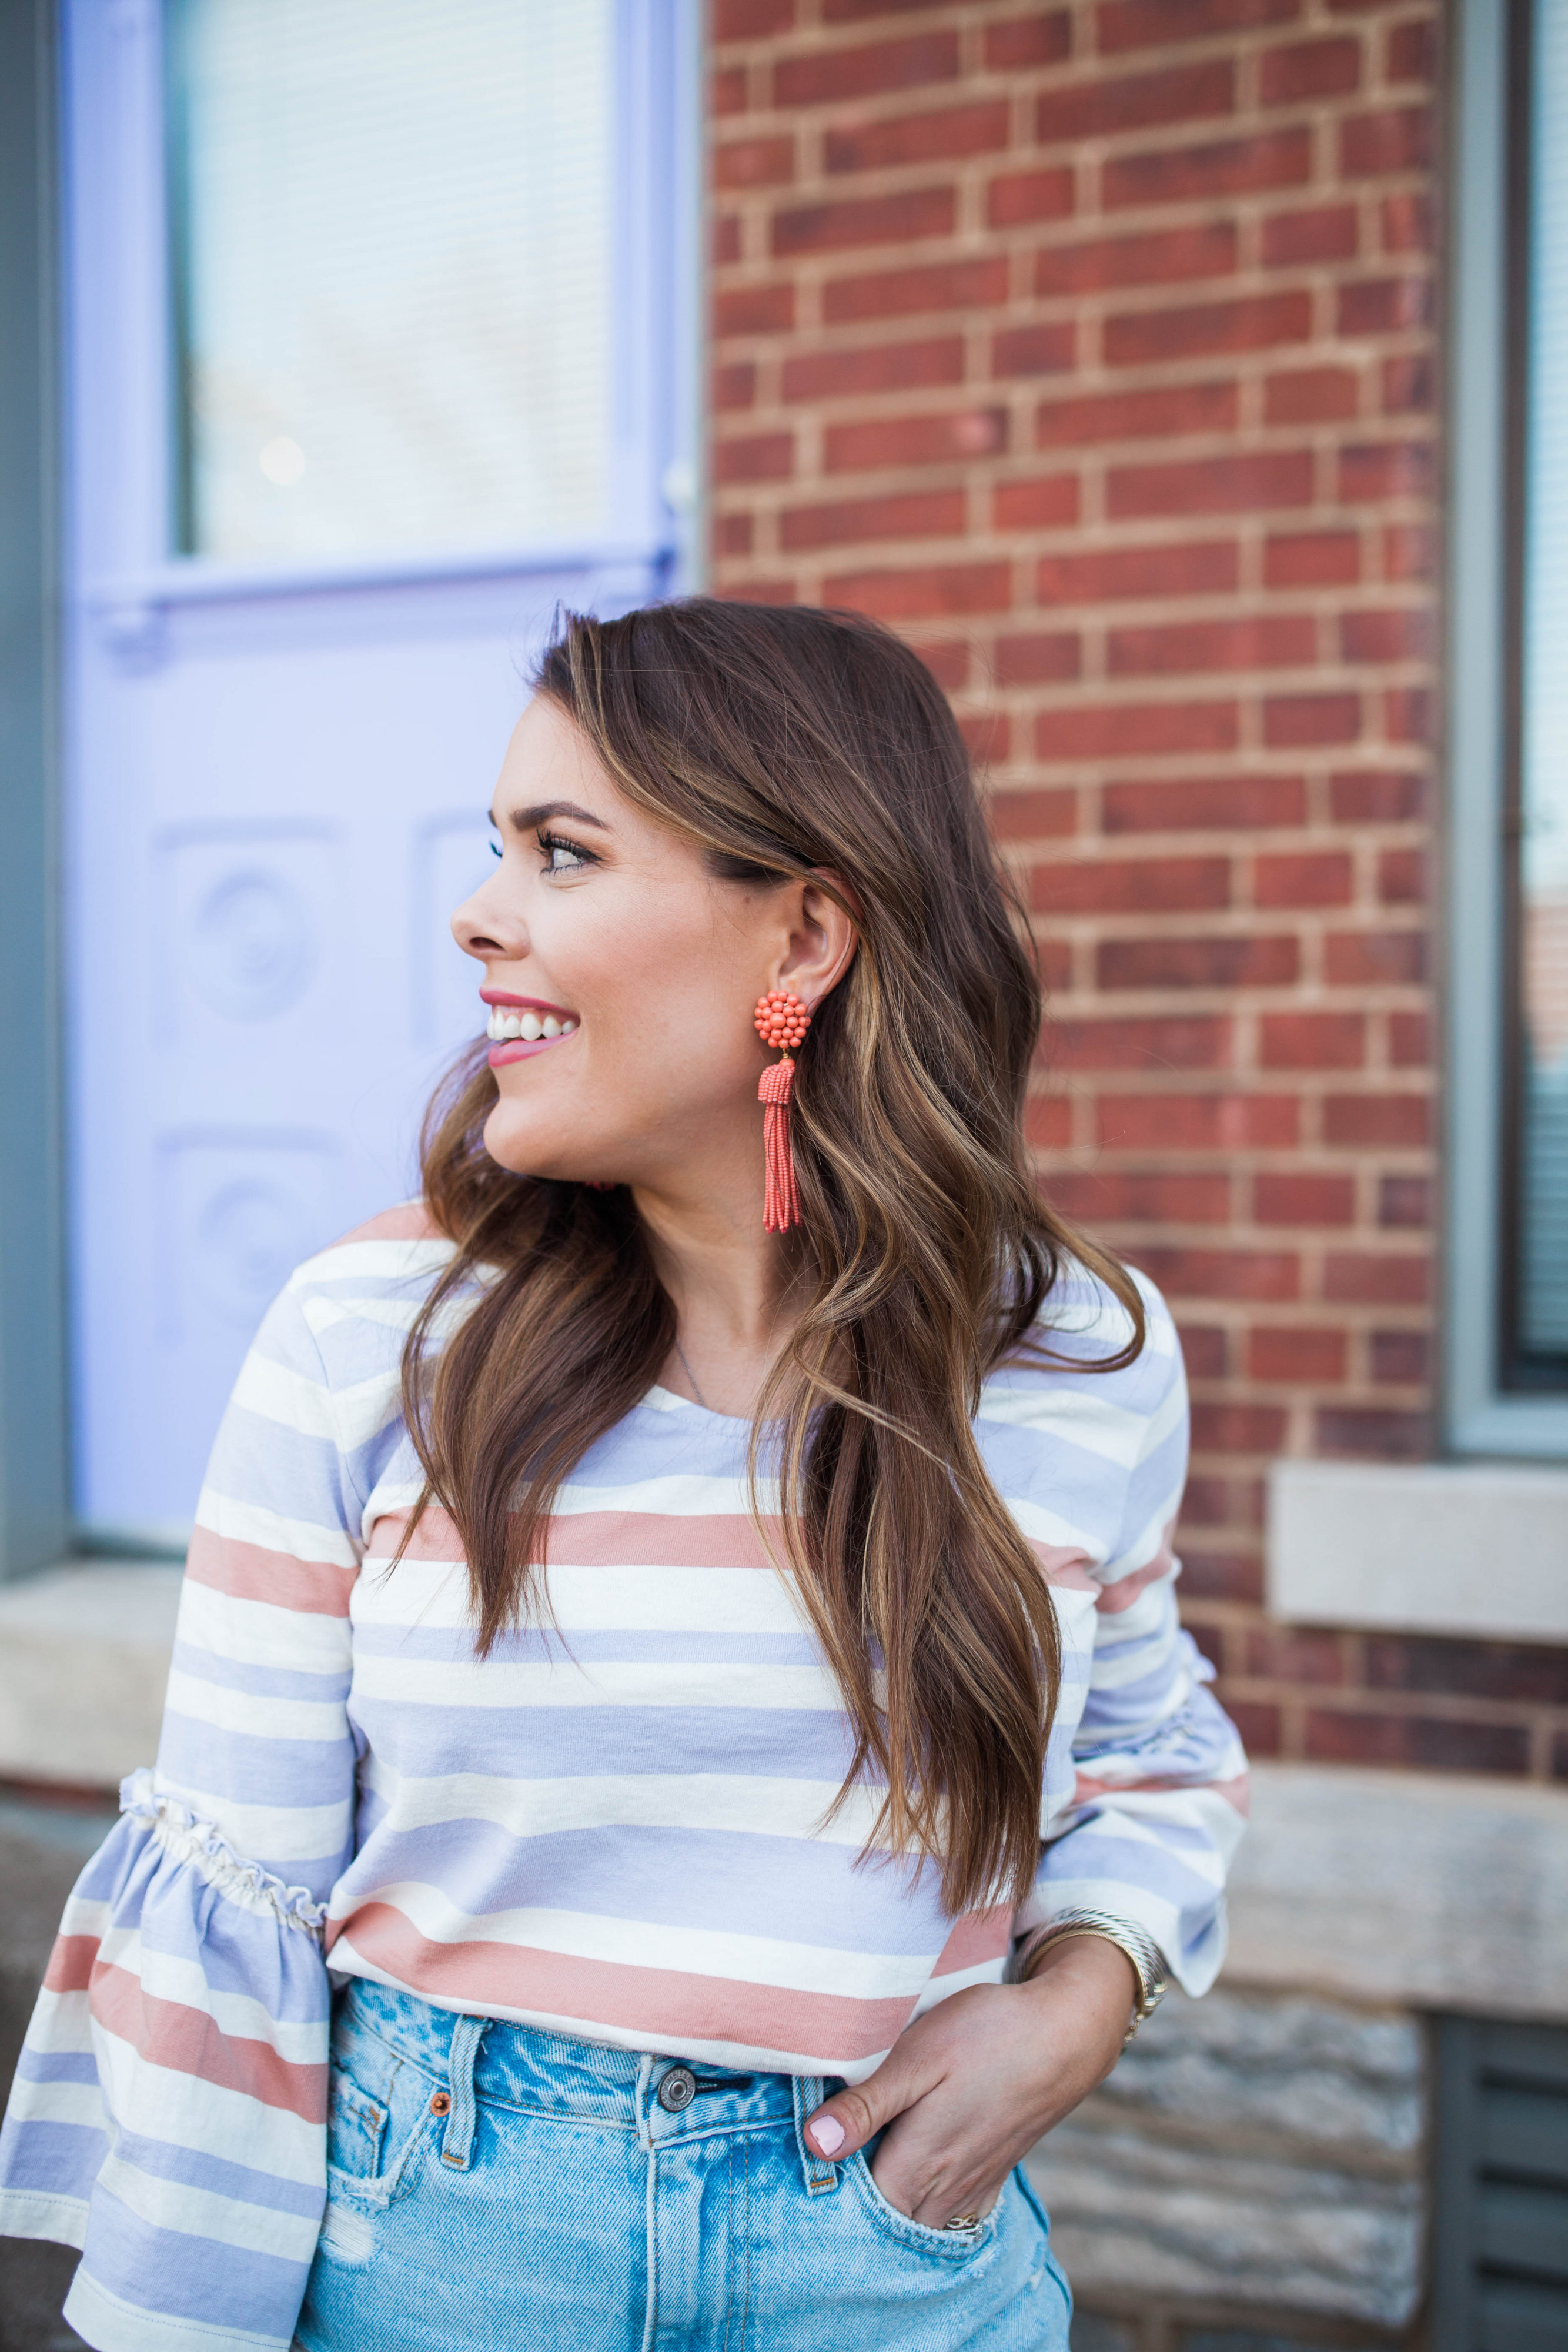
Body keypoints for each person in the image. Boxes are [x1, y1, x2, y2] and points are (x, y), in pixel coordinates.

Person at [0, 601, 1246, 2352]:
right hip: (438, 2257)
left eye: (560, 852)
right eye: (494, 848)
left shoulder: (1069, 1357)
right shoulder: (377, 1336)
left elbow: (1147, 1744)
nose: (475, 912)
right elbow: (238, 1908)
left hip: (894, 2274)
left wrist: (1083, 1998)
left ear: (803, 933)